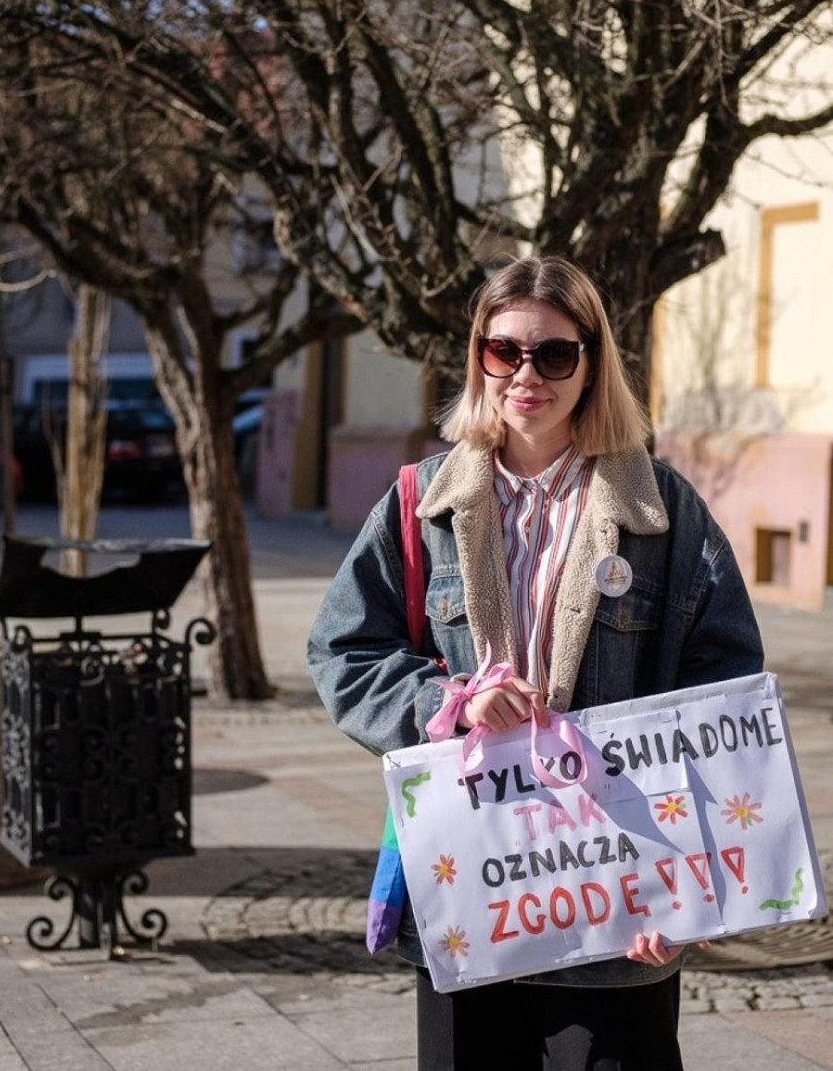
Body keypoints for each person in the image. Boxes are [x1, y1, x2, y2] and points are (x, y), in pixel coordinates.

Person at [308, 255, 763, 1070]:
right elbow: (344, 649)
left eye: (554, 354)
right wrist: (444, 703)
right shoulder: (422, 504)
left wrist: (688, 888)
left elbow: (722, 696)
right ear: (477, 354)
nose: (526, 374)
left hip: (619, 900)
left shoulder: (662, 512)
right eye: (502, 350)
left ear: (591, 365)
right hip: (469, 896)